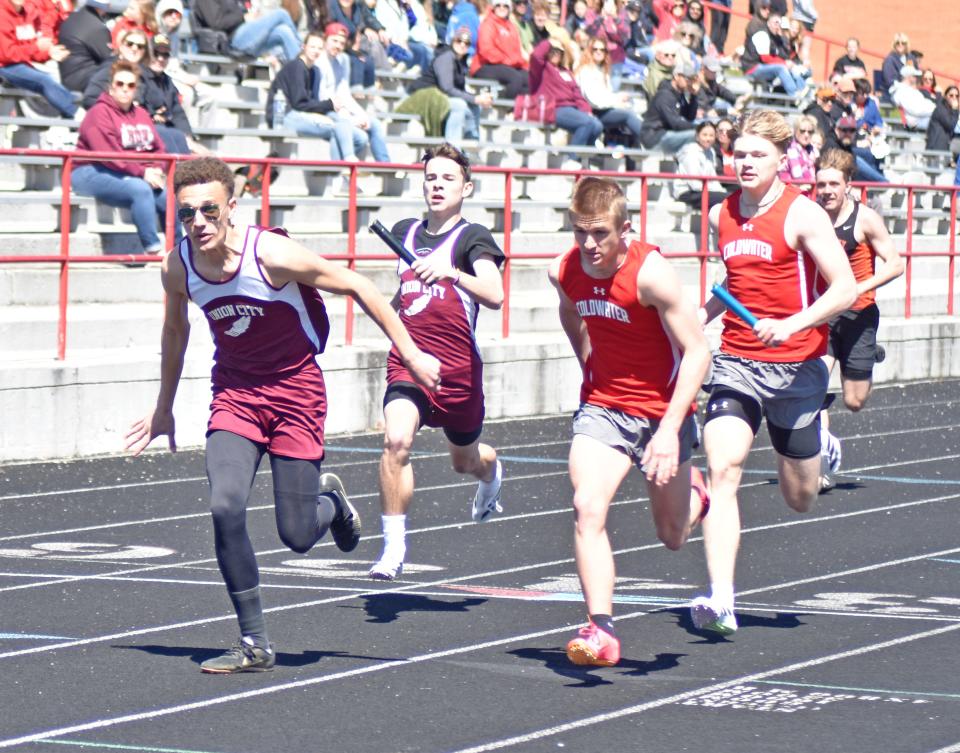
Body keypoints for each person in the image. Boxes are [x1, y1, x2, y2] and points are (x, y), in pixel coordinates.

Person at [125, 156, 440, 673]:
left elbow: (358, 285)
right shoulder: (177, 265)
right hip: (236, 396)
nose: (198, 222)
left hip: (295, 394)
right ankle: (254, 643)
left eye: (208, 210)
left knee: (296, 535)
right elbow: (175, 331)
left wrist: (409, 353)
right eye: (186, 214)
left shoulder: (268, 253)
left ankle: (332, 503)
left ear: (231, 207)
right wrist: (163, 408)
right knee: (224, 506)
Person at [690, 109, 856, 635]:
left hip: (796, 368)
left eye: (757, 154)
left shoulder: (803, 213)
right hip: (737, 361)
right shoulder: (722, 214)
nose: (744, 162)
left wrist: (791, 324)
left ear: (783, 160)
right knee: (724, 468)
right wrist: (699, 316)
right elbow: (734, 279)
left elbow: (845, 288)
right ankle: (721, 599)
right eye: (738, 153)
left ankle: (820, 443)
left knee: (800, 497)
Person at [548, 176, 711, 667]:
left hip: (663, 411)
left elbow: (698, 352)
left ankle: (699, 496)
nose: (589, 245)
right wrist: (588, 365)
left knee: (673, 536)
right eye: (580, 233)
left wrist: (667, 430)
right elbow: (570, 312)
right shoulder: (564, 269)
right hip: (604, 408)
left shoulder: (650, 274)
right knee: (587, 504)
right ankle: (601, 630)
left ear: (625, 229)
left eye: (600, 234)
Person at [369, 143, 505, 581]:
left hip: (457, 373)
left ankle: (491, 471)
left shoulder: (472, 238)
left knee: (464, 462)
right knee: (396, 441)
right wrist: (393, 323)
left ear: (466, 187)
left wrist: (451, 273)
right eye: (431, 178)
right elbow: (399, 300)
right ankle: (393, 549)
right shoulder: (404, 231)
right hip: (408, 366)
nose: (437, 185)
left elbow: (495, 294)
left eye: (448, 178)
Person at [813, 148, 903, 491]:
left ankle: (868, 355)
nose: (826, 191)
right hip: (823, 314)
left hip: (859, 313)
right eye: (821, 184)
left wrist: (857, 287)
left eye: (833, 183)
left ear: (848, 184)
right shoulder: (812, 216)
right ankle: (821, 458)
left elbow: (895, 264)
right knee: (815, 386)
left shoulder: (865, 219)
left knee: (854, 401)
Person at [71, 61, 173, 255]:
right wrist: (143, 172)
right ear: (111, 87)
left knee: (167, 195)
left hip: (126, 170)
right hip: (88, 170)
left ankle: (178, 250)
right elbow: (109, 155)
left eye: (131, 85)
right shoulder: (98, 113)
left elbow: (159, 148)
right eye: (120, 84)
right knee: (141, 189)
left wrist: (157, 168)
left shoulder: (141, 114)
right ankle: (153, 249)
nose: (125, 89)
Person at [268, 25, 391, 167]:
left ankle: (384, 167)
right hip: (293, 114)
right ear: (304, 46)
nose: (338, 46)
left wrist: (360, 115)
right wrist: (347, 117)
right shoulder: (307, 66)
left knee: (365, 133)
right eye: (334, 41)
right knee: (340, 126)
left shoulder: (331, 63)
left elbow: (343, 94)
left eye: (342, 43)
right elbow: (307, 102)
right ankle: (344, 167)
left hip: (322, 110)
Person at [400, 26, 493, 141]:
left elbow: (458, 90)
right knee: (460, 105)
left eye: (466, 43)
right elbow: (447, 88)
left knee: (473, 106)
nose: (462, 45)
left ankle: (471, 145)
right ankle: (451, 149)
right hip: (418, 96)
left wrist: (476, 99)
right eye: (459, 41)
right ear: (453, 41)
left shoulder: (460, 62)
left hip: (436, 97)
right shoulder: (446, 57)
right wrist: (475, 98)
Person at [529, 36, 602, 169]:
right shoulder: (542, 68)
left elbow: (578, 95)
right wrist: (550, 41)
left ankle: (584, 160)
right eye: (553, 50)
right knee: (587, 123)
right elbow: (535, 56)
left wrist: (587, 111)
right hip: (552, 107)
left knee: (597, 125)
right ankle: (572, 159)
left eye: (559, 51)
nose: (555, 53)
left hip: (570, 109)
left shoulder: (566, 72)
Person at [0, 0, 78, 119]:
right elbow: (6, 54)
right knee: (44, 80)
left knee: (49, 79)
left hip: (17, 63)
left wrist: (48, 53)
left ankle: (75, 112)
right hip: (5, 65)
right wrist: (36, 47)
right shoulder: (2, 14)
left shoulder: (25, 12)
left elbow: (30, 49)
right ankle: (77, 113)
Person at [574, 37, 643, 149]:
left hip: (604, 109)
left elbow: (607, 94)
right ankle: (651, 140)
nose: (598, 52)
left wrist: (618, 99)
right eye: (595, 49)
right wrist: (616, 100)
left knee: (632, 112)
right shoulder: (585, 70)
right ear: (589, 51)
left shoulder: (602, 70)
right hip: (592, 112)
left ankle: (634, 158)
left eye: (602, 50)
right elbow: (594, 101)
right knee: (628, 115)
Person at [470, 0, 528, 99]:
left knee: (529, 78)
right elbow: (486, 50)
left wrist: (525, 65)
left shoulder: (511, 26)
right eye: (498, 5)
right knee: (515, 77)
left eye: (505, 6)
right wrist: (508, 60)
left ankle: (519, 109)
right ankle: (506, 107)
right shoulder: (488, 24)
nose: (502, 8)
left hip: (506, 65)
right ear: (493, 7)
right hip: (484, 65)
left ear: (509, 9)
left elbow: (516, 52)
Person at [639, 58, 697, 153]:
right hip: (655, 137)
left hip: (669, 134)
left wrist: (694, 96)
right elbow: (675, 123)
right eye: (687, 79)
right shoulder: (664, 95)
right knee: (699, 135)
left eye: (692, 80)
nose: (690, 82)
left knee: (704, 134)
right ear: (676, 76)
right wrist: (700, 128)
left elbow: (690, 117)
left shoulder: (679, 94)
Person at [56, 0, 112, 93]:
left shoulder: (73, 17)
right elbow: (109, 59)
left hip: (68, 78)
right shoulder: (97, 28)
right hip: (84, 84)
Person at [672, 120, 728, 208]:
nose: (708, 139)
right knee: (725, 198)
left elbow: (713, 178)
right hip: (687, 192)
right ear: (697, 136)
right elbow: (694, 183)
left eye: (711, 135)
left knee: (731, 196)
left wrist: (721, 191)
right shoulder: (690, 152)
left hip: (705, 190)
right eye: (704, 135)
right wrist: (719, 193)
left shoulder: (711, 152)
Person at [778, 114, 818, 189]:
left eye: (810, 132)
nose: (806, 135)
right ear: (796, 131)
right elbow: (798, 177)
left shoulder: (811, 150)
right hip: (791, 190)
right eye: (802, 131)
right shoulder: (791, 149)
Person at [879, 32, 917, 101]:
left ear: (907, 45)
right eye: (897, 43)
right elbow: (890, 80)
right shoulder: (890, 60)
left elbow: (917, 73)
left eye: (903, 43)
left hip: (910, 89)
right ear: (894, 45)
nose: (900, 45)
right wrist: (905, 84)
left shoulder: (911, 58)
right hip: (895, 90)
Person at [926, 85, 960, 154]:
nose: (954, 98)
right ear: (945, 96)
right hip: (935, 148)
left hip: (943, 147)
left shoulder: (950, 110)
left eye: (957, 96)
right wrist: (955, 110)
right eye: (951, 95)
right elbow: (950, 125)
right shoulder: (941, 109)